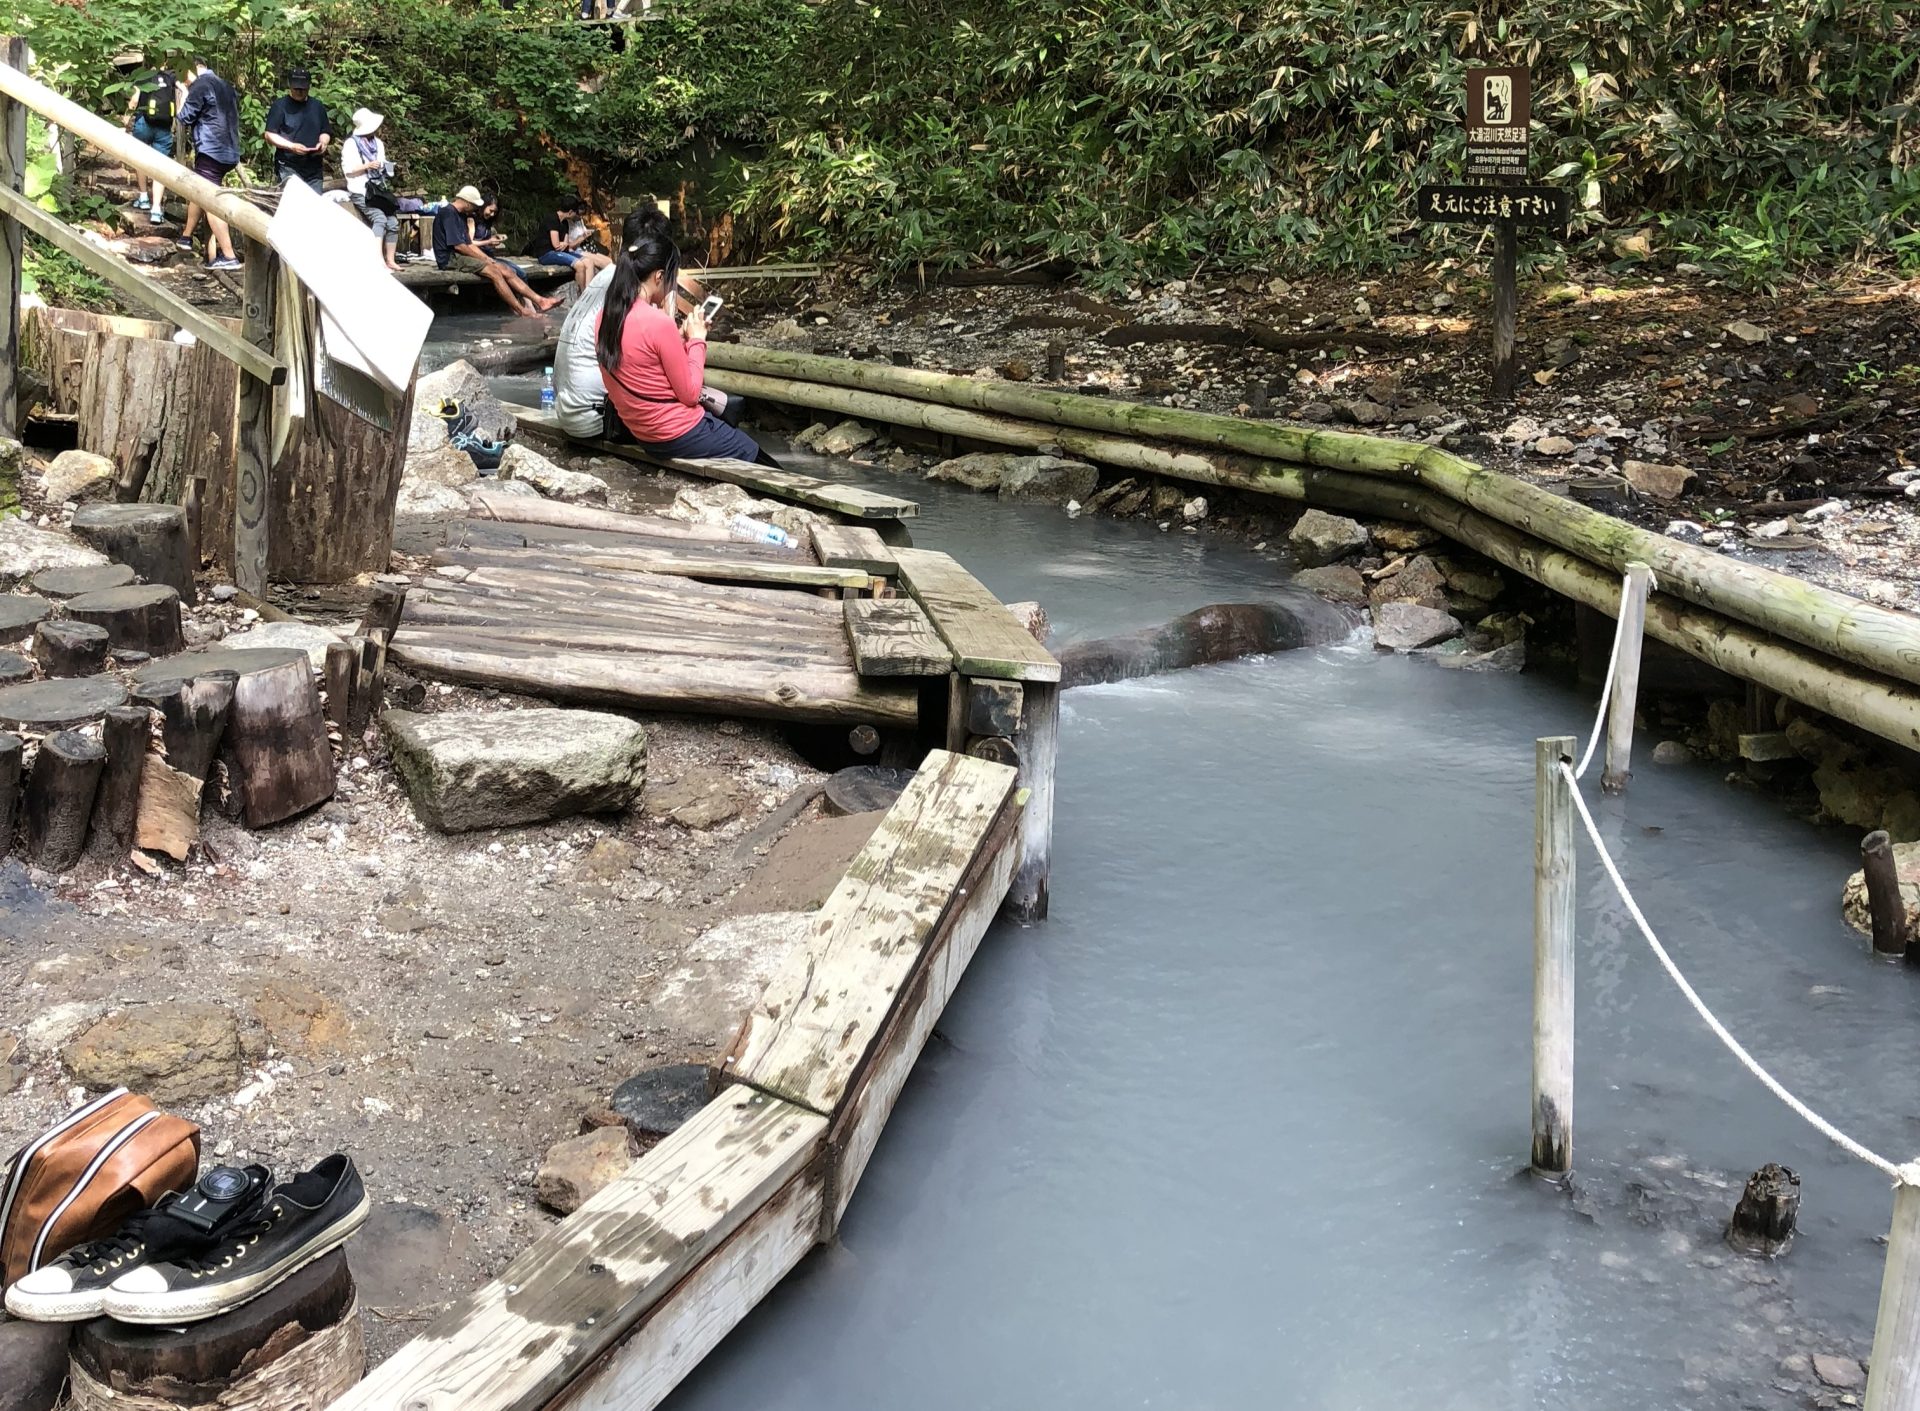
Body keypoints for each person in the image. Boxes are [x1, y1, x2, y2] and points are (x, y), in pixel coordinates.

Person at [595, 206, 778, 466]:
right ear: (658, 276)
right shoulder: (657, 322)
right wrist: (697, 340)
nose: (671, 284)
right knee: (755, 455)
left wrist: (680, 338)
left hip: (643, 433)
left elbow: (646, 364)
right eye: (670, 277)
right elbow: (690, 394)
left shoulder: (606, 316)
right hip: (675, 433)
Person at [432, 185, 561, 316]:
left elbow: (469, 244)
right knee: (494, 272)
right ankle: (522, 310)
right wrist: (484, 259)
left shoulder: (461, 216)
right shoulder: (447, 213)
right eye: (474, 205)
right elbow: (459, 246)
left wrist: (487, 258)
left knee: (505, 269)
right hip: (450, 258)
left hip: (461, 255)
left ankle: (541, 300)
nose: (476, 209)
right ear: (466, 202)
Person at [175, 58, 242, 271]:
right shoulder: (226, 85)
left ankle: (229, 255)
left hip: (211, 151)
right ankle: (187, 237)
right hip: (229, 150)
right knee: (201, 190)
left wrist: (184, 97)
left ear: (192, 69)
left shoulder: (200, 86)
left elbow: (184, 117)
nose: (182, 80)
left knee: (209, 199)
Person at [119, 58, 178, 226]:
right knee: (160, 167)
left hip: (144, 124)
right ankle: (156, 209)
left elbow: (133, 103)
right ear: (165, 61)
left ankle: (144, 197)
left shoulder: (142, 77)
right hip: (164, 127)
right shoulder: (171, 78)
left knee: (140, 159)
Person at [340, 107, 400, 271]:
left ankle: (391, 259)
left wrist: (386, 168)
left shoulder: (378, 143)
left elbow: (381, 163)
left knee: (393, 221)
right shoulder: (351, 144)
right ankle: (377, 258)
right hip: (361, 190)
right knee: (379, 218)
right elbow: (349, 170)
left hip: (378, 189)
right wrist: (367, 166)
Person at [264, 69, 331, 193]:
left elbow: (325, 131)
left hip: (314, 168)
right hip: (289, 165)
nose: (300, 92)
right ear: (290, 86)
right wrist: (291, 146)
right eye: (296, 88)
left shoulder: (317, 106)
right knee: (293, 203)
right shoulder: (280, 106)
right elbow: (269, 134)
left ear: (309, 86)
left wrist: (323, 143)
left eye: (303, 89)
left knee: (314, 205)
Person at [526, 196, 610, 293]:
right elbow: (556, 245)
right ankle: (582, 295)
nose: (575, 215)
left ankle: (589, 293)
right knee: (579, 265)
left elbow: (565, 243)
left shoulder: (564, 223)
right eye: (575, 212)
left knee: (589, 262)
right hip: (547, 253)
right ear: (570, 212)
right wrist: (563, 244)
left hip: (562, 251)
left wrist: (564, 244)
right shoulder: (552, 219)